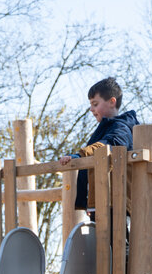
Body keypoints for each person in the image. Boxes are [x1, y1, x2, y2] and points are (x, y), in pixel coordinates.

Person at [59, 77, 140, 212]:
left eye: (95, 104)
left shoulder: (121, 127)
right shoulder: (104, 129)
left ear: (112, 102)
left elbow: (112, 143)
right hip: (102, 199)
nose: (91, 109)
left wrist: (81, 155)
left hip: (114, 202)